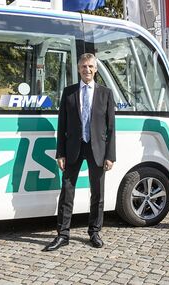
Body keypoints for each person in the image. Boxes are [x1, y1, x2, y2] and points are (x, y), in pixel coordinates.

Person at [43, 53, 116, 251]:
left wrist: (110, 155)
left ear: (96, 69)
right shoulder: (69, 93)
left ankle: (94, 232)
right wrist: (60, 153)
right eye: (84, 66)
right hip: (73, 148)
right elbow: (62, 124)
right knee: (67, 191)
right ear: (78, 69)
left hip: (98, 149)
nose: (87, 70)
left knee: (97, 192)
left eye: (91, 66)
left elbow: (111, 127)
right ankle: (63, 234)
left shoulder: (106, 93)